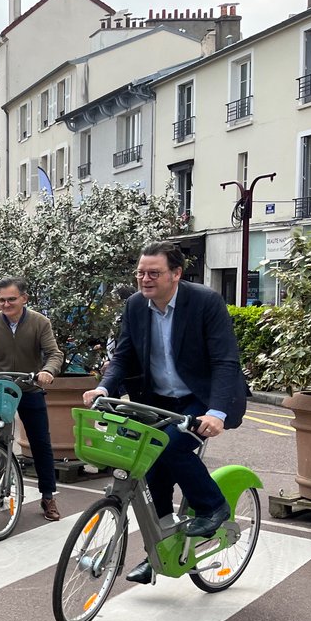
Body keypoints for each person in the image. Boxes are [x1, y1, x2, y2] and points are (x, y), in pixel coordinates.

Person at [84, 240, 247, 584]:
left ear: (176, 274)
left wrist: (216, 412)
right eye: (141, 272)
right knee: (149, 468)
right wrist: (103, 388)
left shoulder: (205, 301)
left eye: (153, 273)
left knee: (170, 446)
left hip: (200, 398)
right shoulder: (135, 306)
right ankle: (158, 551)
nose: (145, 279)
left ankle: (213, 505)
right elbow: (123, 356)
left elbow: (224, 360)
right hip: (157, 398)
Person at [0, 277, 64, 521]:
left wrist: (47, 372)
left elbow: (54, 353)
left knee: (40, 442)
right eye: (1, 300)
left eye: (11, 299)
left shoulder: (40, 322)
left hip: (29, 388)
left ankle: (48, 496)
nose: (6, 304)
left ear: (24, 298)